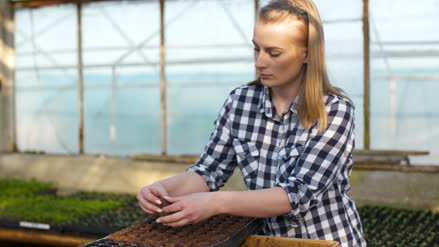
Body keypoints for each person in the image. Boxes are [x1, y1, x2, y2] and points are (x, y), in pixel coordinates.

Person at [137, 0, 366, 246]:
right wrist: (163, 188)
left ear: (307, 53)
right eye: (257, 49)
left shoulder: (334, 112)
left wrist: (215, 203)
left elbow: (296, 194)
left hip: (327, 240)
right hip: (264, 241)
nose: (259, 62)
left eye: (274, 53)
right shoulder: (240, 102)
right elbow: (209, 170)